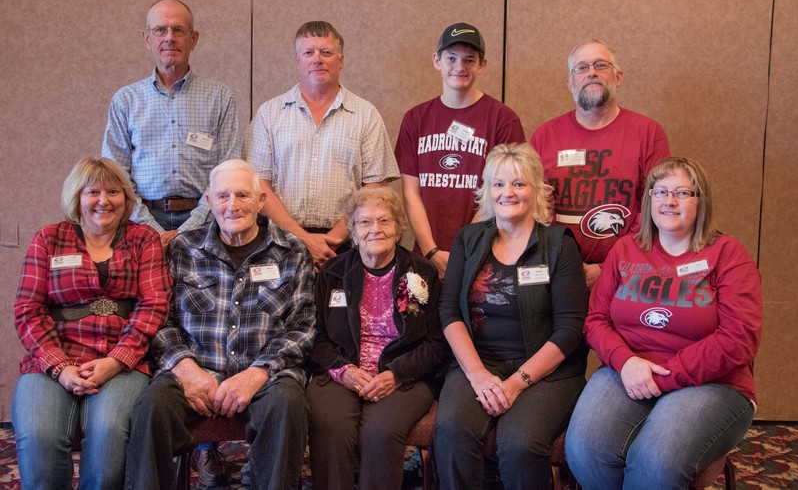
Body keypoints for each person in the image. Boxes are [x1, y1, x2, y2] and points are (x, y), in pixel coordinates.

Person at [565, 156, 762, 489]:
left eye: (683, 193)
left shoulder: (728, 254)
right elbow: (596, 320)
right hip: (627, 371)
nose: (670, 201)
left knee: (655, 462)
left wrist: (666, 377)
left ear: (702, 202)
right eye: (660, 191)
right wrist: (625, 362)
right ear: (649, 200)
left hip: (711, 383)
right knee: (585, 450)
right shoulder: (625, 250)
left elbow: (738, 339)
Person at [124, 159, 315, 490]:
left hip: (266, 374)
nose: (232, 205)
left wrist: (256, 374)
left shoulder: (292, 251)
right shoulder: (182, 249)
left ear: (260, 200)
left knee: (288, 406)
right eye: (222, 196)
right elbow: (158, 318)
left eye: (242, 195)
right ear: (209, 201)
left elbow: (302, 326)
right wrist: (187, 371)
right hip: (194, 370)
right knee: (150, 408)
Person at [434, 144, 588, 489]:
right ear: (487, 190)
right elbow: (449, 311)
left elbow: (570, 330)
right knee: (452, 430)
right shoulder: (469, 239)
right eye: (498, 184)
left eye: (519, 184)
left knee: (520, 444)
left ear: (536, 190)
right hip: (479, 362)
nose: (508, 193)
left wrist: (516, 383)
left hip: (546, 372)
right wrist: (476, 375)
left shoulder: (559, 244)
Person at [11, 157, 171, 490]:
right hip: (53, 357)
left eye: (114, 191)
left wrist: (117, 361)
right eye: (93, 191)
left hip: (123, 358)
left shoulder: (144, 239)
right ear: (77, 196)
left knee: (109, 435)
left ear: (126, 199)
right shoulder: (49, 238)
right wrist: (60, 367)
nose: (104, 200)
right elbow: (28, 309)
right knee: (39, 435)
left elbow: (154, 306)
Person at [306, 187, 448, 489]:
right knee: (331, 425)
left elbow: (436, 344)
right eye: (364, 222)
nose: (375, 229)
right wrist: (346, 372)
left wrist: (395, 374)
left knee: (380, 431)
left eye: (385, 221)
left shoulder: (419, 274)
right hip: (341, 371)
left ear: (398, 228)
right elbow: (315, 338)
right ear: (352, 231)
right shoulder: (332, 273)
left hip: (404, 375)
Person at [244, 21, 399, 269]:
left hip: (346, 245)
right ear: (297, 60)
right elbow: (259, 184)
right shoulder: (269, 114)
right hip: (281, 243)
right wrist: (302, 238)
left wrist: (336, 237)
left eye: (326, 52)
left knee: (344, 309)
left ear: (341, 60)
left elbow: (375, 185)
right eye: (308, 53)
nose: (317, 59)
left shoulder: (365, 114)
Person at [531, 39, 670, 288]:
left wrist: (610, 268)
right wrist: (563, 264)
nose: (591, 72)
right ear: (569, 82)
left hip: (628, 275)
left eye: (600, 65)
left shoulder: (648, 133)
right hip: (557, 274)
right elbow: (537, 210)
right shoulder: (544, 136)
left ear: (618, 77)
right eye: (581, 68)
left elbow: (656, 209)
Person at [102, 0, 240, 247]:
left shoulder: (220, 97)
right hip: (140, 222)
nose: (169, 37)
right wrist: (150, 228)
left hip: (207, 222)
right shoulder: (126, 101)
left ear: (193, 39)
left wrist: (189, 228)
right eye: (160, 30)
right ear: (147, 39)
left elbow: (228, 172)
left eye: (178, 29)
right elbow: (115, 175)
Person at [395, 23, 526, 279]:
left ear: (482, 65)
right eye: (451, 58)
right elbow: (411, 193)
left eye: (469, 60)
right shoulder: (415, 119)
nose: (460, 67)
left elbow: (501, 194)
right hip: (425, 256)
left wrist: (462, 250)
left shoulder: (502, 119)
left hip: (484, 252)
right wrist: (431, 251)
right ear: (436, 61)